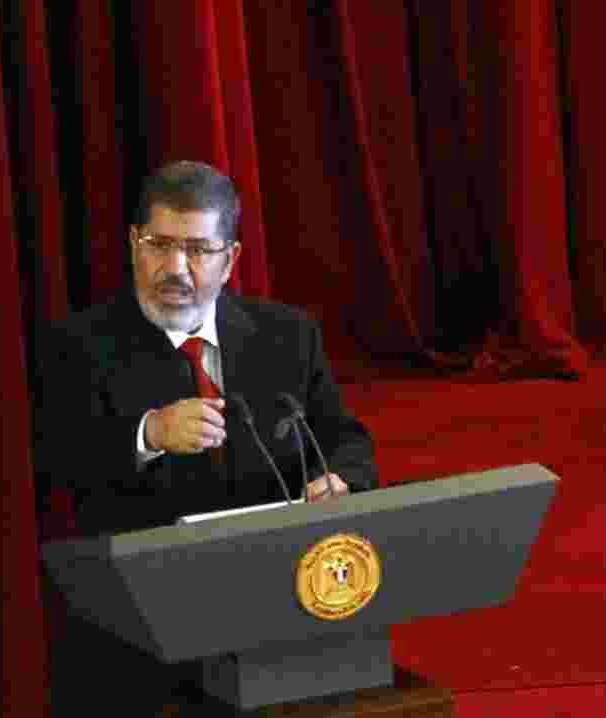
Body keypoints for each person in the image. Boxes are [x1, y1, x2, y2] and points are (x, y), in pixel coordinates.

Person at [33, 160, 378, 714]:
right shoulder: (77, 347)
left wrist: (340, 479)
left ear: (231, 258)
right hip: (141, 621)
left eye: (197, 250)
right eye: (159, 244)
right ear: (132, 244)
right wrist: (148, 433)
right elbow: (51, 466)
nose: (175, 267)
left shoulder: (287, 337)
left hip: (278, 599)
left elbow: (346, 440)